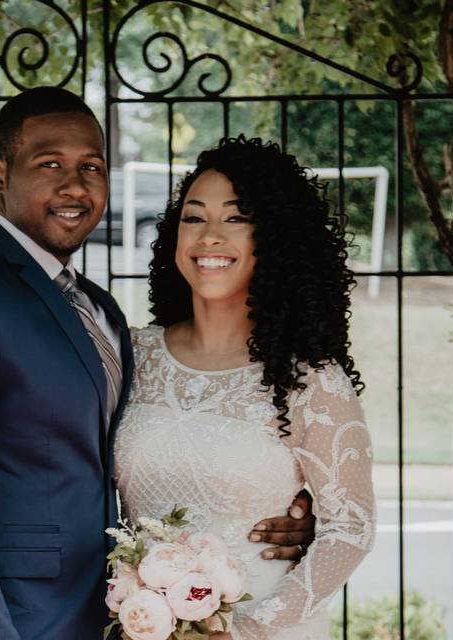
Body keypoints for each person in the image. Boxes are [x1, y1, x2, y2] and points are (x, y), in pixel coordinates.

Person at [0, 88, 315, 640]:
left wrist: (286, 508)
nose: (75, 185)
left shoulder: (97, 307)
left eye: (91, 166)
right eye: (49, 164)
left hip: (92, 616)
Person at [114, 136, 375, 639]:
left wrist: (242, 632)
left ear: (272, 238)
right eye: (193, 217)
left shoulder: (310, 379)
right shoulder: (132, 356)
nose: (210, 236)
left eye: (236, 218)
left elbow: (349, 528)